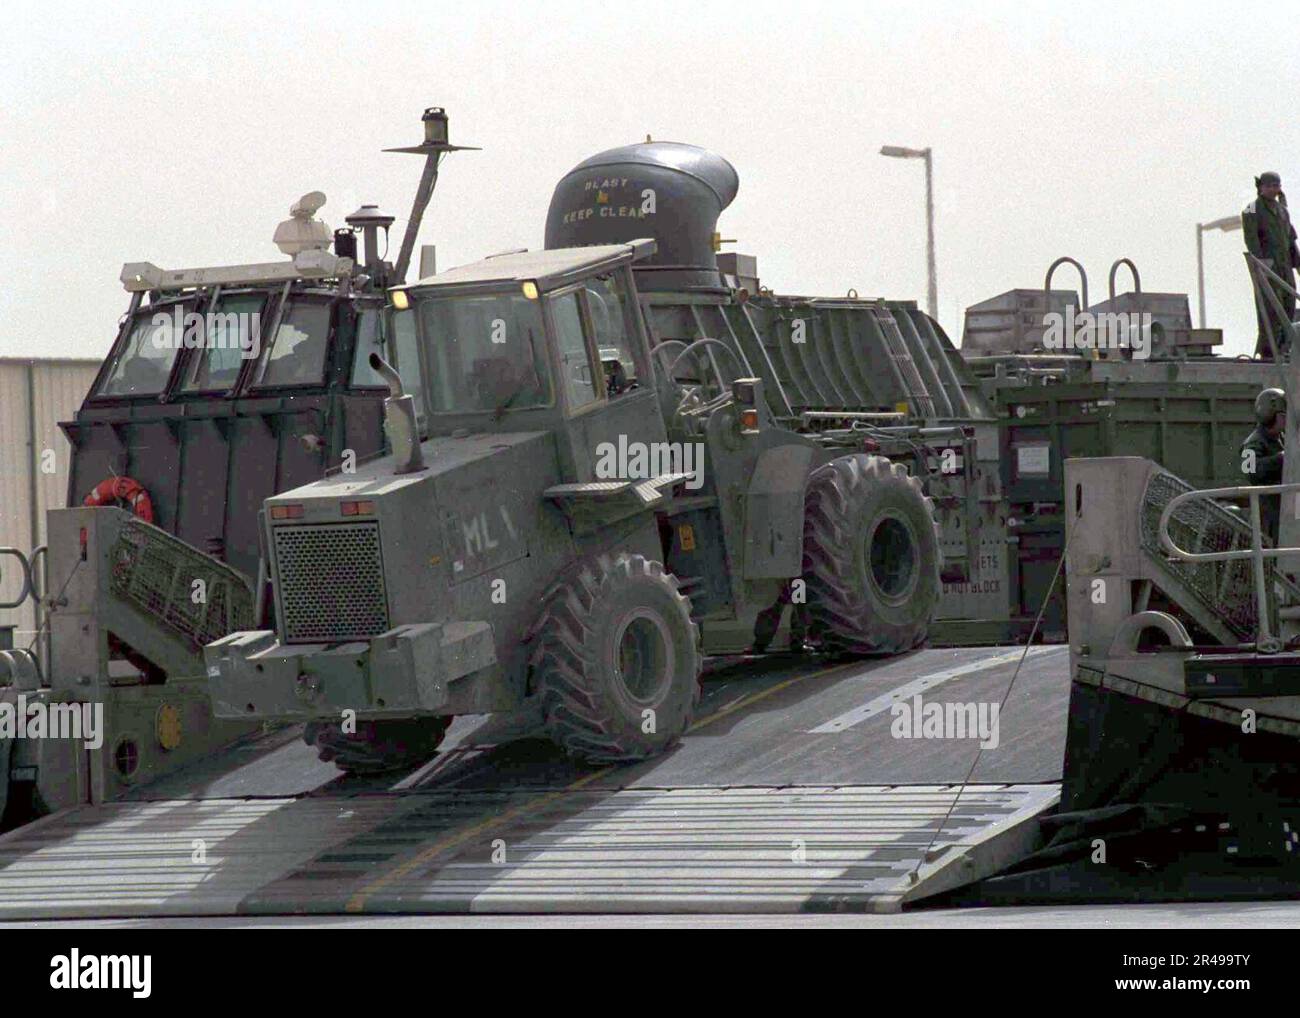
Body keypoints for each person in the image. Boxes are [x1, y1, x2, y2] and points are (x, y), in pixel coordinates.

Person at [1242, 172, 1300, 360]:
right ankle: (1268, 351)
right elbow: (1251, 241)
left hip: (1285, 267)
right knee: (1270, 310)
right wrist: (1261, 265)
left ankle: (1284, 348)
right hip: (1268, 267)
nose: (1273, 190)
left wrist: (1297, 264)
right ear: (1261, 187)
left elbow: (1290, 240)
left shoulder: (1282, 210)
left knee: (1289, 307)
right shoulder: (1251, 209)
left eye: (1276, 186)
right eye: (1269, 186)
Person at [1242, 387, 1287, 544]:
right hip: (1269, 508)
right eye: (1282, 416)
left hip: (1283, 504)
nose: (1285, 420)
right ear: (1270, 416)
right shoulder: (1254, 442)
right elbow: (1250, 471)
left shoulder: (1282, 438)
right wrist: (1281, 459)